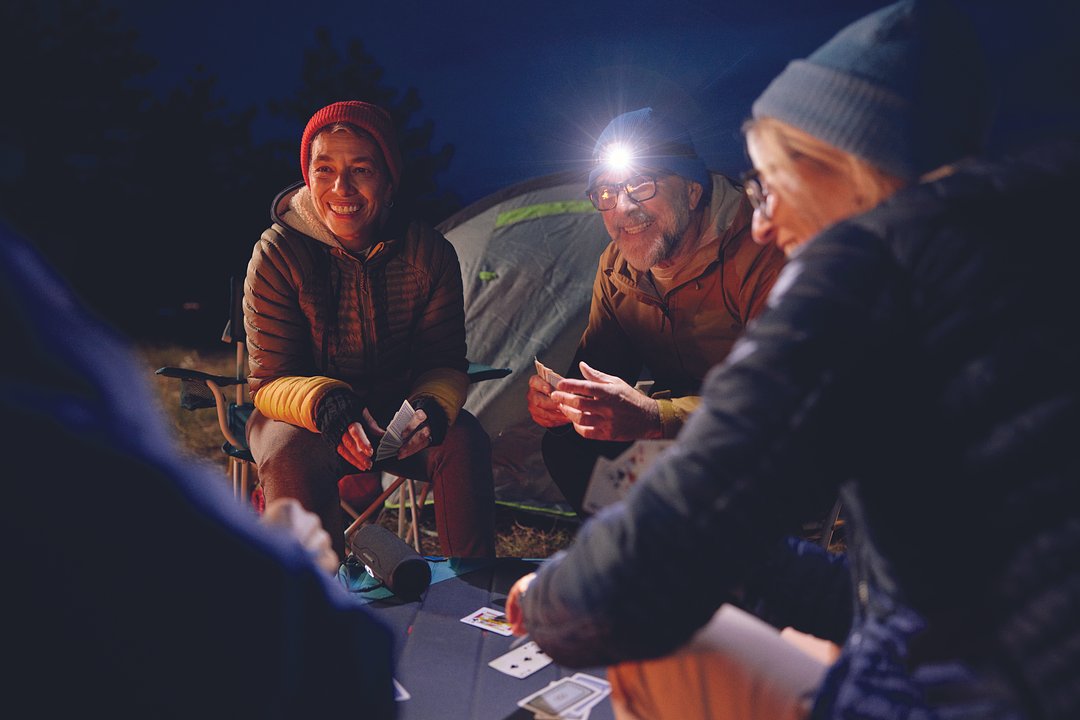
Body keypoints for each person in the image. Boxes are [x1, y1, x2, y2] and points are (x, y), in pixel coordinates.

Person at [507, 1, 1080, 718]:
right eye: (608, 196)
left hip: (934, 696)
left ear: (849, 164)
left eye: (770, 183)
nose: (765, 220)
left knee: (650, 643)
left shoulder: (865, 265)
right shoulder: (1014, 262)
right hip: (976, 663)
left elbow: (703, 499)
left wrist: (558, 598)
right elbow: (906, 597)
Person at [1, 220, 397, 718]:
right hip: (287, 417)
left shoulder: (396, 269)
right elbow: (343, 671)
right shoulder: (39, 368)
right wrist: (285, 559)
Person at [244, 100, 496, 559]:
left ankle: (474, 598)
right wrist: (330, 403)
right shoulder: (279, 253)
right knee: (289, 450)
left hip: (393, 418)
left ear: (387, 178)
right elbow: (269, 381)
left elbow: (443, 361)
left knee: (463, 438)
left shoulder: (429, 254)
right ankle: (313, 605)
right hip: (301, 417)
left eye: (361, 169)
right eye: (324, 169)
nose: (342, 187)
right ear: (308, 175)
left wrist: (430, 408)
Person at [526, 107, 787, 516]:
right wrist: (564, 399)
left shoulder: (762, 249)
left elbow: (783, 397)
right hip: (681, 436)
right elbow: (596, 371)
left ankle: (721, 572)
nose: (623, 208)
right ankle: (630, 560)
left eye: (641, 184)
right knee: (569, 442)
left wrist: (655, 416)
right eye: (606, 193)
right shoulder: (616, 268)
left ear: (692, 191)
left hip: (770, 439)